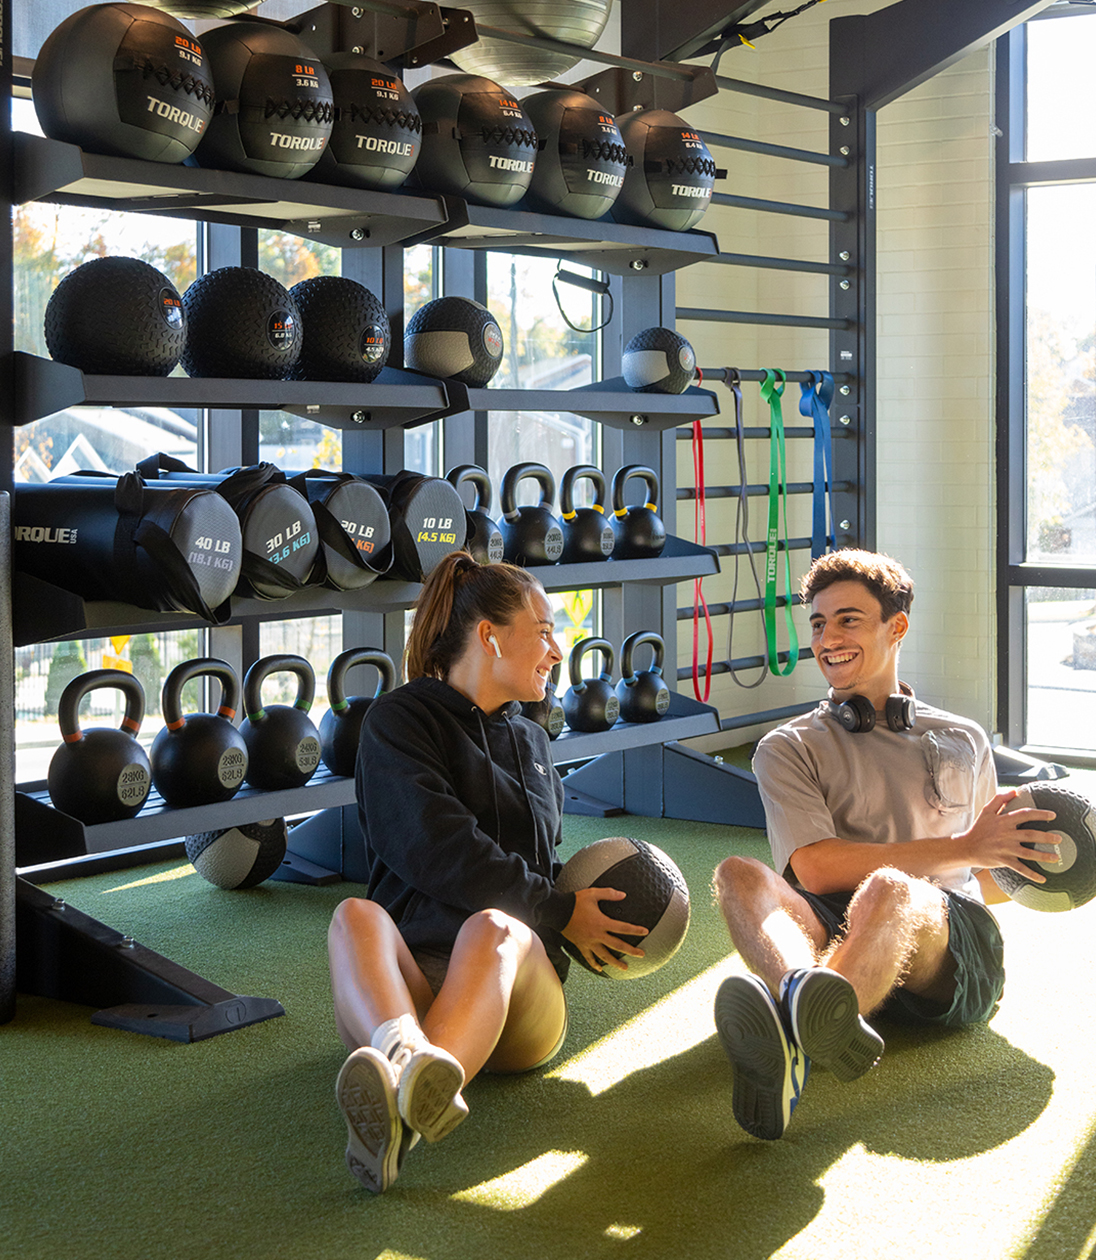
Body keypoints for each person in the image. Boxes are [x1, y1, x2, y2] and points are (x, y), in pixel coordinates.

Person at [712, 548, 1060, 1141]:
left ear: (895, 626)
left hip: (947, 941)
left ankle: (792, 1030)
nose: (827, 638)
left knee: (893, 890)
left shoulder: (962, 735)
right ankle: (811, 1005)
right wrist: (966, 846)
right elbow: (815, 871)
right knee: (738, 874)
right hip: (836, 922)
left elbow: (988, 876)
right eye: (818, 622)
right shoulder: (786, 747)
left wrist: (1035, 866)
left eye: (848, 619)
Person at [327, 551, 648, 1191]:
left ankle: (402, 1089)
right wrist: (558, 910)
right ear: (490, 635)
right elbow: (436, 845)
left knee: (493, 928)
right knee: (354, 916)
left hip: (515, 996)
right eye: (545, 629)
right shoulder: (397, 721)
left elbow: (538, 864)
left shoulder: (530, 738)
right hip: (412, 987)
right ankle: (409, 1065)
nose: (557, 650)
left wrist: (574, 911)